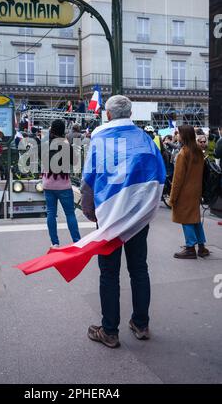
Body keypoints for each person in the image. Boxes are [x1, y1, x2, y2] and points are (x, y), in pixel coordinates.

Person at [81, 95, 166, 348]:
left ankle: (109, 331)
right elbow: (160, 174)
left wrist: (89, 210)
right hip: (138, 217)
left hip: (109, 217)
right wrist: (148, 208)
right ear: (130, 113)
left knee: (109, 273)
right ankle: (141, 324)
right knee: (139, 269)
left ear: (108, 115)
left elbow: (88, 180)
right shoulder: (145, 139)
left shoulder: (100, 139)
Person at [169, 125, 209, 259]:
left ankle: (190, 247)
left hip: (184, 193)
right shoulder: (198, 150)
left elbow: (177, 179)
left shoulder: (183, 153)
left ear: (183, 135)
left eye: (179, 134)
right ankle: (202, 247)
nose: (177, 136)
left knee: (186, 220)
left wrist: (172, 198)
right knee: (195, 218)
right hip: (196, 191)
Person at [42, 119, 81, 248]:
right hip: (63, 185)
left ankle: (55, 243)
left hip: (48, 184)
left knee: (51, 214)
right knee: (70, 213)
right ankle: (77, 241)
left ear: (52, 130)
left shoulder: (45, 145)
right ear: (63, 130)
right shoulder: (65, 146)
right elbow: (75, 162)